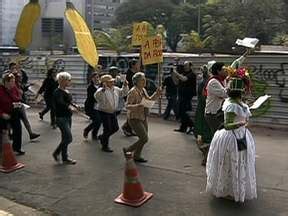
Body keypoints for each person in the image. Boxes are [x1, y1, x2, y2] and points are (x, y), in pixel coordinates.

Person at [206, 69, 257, 202]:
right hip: (231, 139)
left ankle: (235, 190)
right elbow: (227, 125)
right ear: (240, 91)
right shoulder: (230, 105)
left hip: (241, 136)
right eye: (245, 89)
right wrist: (240, 123)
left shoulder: (239, 103)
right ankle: (227, 190)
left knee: (240, 163)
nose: (247, 91)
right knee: (230, 164)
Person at [123, 72, 162, 163]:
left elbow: (148, 100)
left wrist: (156, 94)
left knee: (143, 138)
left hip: (143, 116)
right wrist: (137, 106)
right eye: (142, 80)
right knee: (144, 138)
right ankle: (128, 149)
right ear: (136, 82)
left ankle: (137, 155)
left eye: (144, 79)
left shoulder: (143, 90)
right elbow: (127, 106)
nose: (144, 81)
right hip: (134, 117)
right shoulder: (133, 92)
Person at [95, 74, 129, 152]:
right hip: (103, 111)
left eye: (113, 81)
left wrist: (125, 86)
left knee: (115, 128)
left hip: (112, 111)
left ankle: (103, 137)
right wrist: (103, 89)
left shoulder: (115, 89)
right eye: (110, 82)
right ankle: (105, 146)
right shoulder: (101, 90)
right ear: (105, 83)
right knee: (107, 129)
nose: (112, 83)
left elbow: (123, 93)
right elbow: (97, 97)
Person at [10, 63, 40, 140]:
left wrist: (30, 85)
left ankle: (30, 133)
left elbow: (23, 88)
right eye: (20, 77)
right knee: (13, 120)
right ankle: (11, 134)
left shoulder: (19, 83)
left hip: (20, 103)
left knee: (24, 119)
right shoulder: (10, 82)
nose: (21, 77)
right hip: (14, 104)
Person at [52, 72, 77, 165]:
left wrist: (74, 105)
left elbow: (68, 101)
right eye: (68, 80)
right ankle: (56, 153)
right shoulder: (57, 92)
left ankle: (65, 158)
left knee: (65, 138)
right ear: (62, 81)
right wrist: (69, 107)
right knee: (68, 138)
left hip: (67, 116)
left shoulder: (66, 90)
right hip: (61, 117)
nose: (70, 82)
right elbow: (60, 103)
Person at [0, 73, 25, 155]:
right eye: (11, 82)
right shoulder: (1, 90)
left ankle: (17, 148)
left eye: (14, 82)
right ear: (5, 82)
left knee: (18, 129)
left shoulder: (14, 88)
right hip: (3, 113)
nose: (13, 84)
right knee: (3, 132)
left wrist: (19, 102)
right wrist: (2, 114)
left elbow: (18, 98)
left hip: (14, 111)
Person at [194, 64, 213, 166]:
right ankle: (206, 153)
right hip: (206, 108)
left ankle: (204, 150)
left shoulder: (203, 82)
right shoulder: (209, 82)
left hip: (202, 108)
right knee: (205, 131)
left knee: (200, 130)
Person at [204, 62, 228, 135]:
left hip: (219, 112)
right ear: (218, 71)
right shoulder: (213, 82)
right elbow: (225, 94)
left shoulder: (222, 80)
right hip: (213, 113)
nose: (226, 71)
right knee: (218, 135)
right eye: (224, 69)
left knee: (220, 135)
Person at [173, 61, 197, 133]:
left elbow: (184, 79)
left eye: (186, 65)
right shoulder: (183, 73)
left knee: (184, 112)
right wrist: (174, 74)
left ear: (190, 66)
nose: (185, 66)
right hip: (181, 95)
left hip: (187, 96)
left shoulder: (192, 74)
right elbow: (176, 82)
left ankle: (192, 125)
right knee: (181, 112)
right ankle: (183, 127)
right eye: (184, 65)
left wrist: (176, 72)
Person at [122, 59, 140, 136]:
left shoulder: (135, 73)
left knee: (134, 112)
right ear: (133, 65)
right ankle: (126, 127)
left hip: (135, 94)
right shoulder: (129, 74)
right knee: (132, 112)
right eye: (137, 64)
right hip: (130, 95)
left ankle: (128, 127)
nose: (138, 65)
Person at [83, 72, 101, 140]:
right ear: (92, 79)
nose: (96, 79)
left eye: (97, 77)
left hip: (99, 107)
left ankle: (94, 135)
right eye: (95, 78)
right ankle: (87, 130)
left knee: (99, 121)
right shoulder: (90, 87)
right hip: (91, 107)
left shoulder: (101, 86)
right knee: (97, 120)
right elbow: (92, 98)